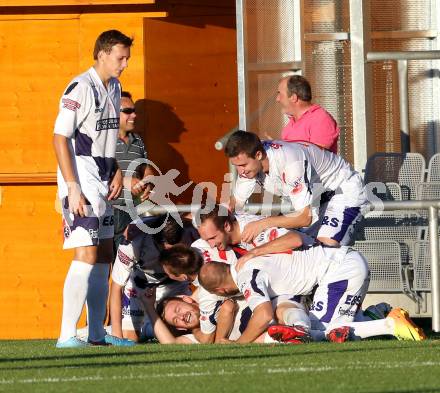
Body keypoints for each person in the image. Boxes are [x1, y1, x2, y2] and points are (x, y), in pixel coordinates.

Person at [53, 30, 133, 348]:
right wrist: (72, 188)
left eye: (127, 58)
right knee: (85, 252)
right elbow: (60, 138)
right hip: (80, 177)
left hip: (102, 175)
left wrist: (115, 169)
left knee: (103, 254)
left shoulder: (114, 87)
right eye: (120, 57)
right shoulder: (80, 87)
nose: (124, 63)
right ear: (101, 54)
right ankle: (66, 335)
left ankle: (97, 334)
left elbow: (106, 138)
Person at [198, 249, 426, 343]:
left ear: (221, 291)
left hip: (338, 270)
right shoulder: (251, 259)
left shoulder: (247, 276)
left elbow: (264, 314)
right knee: (332, 329)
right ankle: (376, 314)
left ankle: (389, 324)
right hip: (346, 261)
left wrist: (240, 344)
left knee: (333, 333)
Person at [225, 131, 368, 247]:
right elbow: (236, 204)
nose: (240, 171)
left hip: (343, 190)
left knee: (326, 250)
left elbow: (304, 218)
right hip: (317, 200)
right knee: (300, 247)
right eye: (236, 165)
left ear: (258, 155)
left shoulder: (290, 163)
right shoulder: (249, 160)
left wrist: (262, 224)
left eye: (243, 165)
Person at [110, 215, 198, 342]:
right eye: (166, 251)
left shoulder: (192, 233)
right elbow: (117, 286)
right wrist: (116, 336)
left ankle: (149, 329)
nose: (171, 258)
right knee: (131, 339)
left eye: (176, 251)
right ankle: (144, 329)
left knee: (187, 327)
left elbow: (200, 214)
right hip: (141, 284)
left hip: (175, 285)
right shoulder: (132, 241)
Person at [113, 91, 152, 254]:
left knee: (130, 265)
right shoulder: (102, 140)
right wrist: (124, 181)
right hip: (110, 211)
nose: (134, 115)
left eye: (134, 110)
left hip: (136, 210)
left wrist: (149, 180)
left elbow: (146, 166)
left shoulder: (138, 140)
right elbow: (92, 171)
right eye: (128, 111)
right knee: (104, 265)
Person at [277, 75, 339, 153]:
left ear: (293, 97)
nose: (277, 99)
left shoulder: (320, 120)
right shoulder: (289, 126)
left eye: (280, 94)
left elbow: (318, 158)